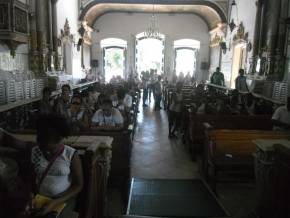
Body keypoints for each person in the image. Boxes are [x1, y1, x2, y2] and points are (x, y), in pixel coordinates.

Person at [30, 114, 83, 217]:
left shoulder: (70, 154)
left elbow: (78, 185)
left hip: (64, 199)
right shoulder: (35, 151)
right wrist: (31, 195)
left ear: (60, 140)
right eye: (43, 148)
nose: (47, 153)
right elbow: (32, 177)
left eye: (51, 150)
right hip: (40, 198)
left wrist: (55, 202)